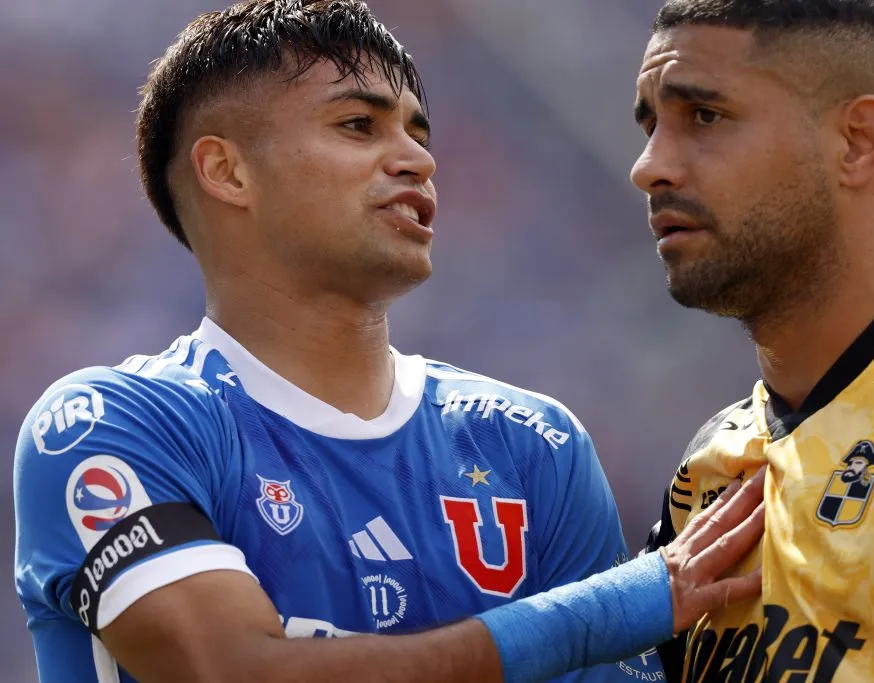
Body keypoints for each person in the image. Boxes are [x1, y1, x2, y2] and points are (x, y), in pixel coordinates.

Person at [12, 2, 767, 682]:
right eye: (358, 125)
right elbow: (234, 669)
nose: (418, 159)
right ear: (227, 170)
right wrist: (605, 610)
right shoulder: (111, 425)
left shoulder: (535, 444)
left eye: (418, 130)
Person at [630, 0, 874, 681]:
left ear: (857, 141)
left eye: (704, 116)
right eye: (650, 124)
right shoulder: (705, 472)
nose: (649, 165)